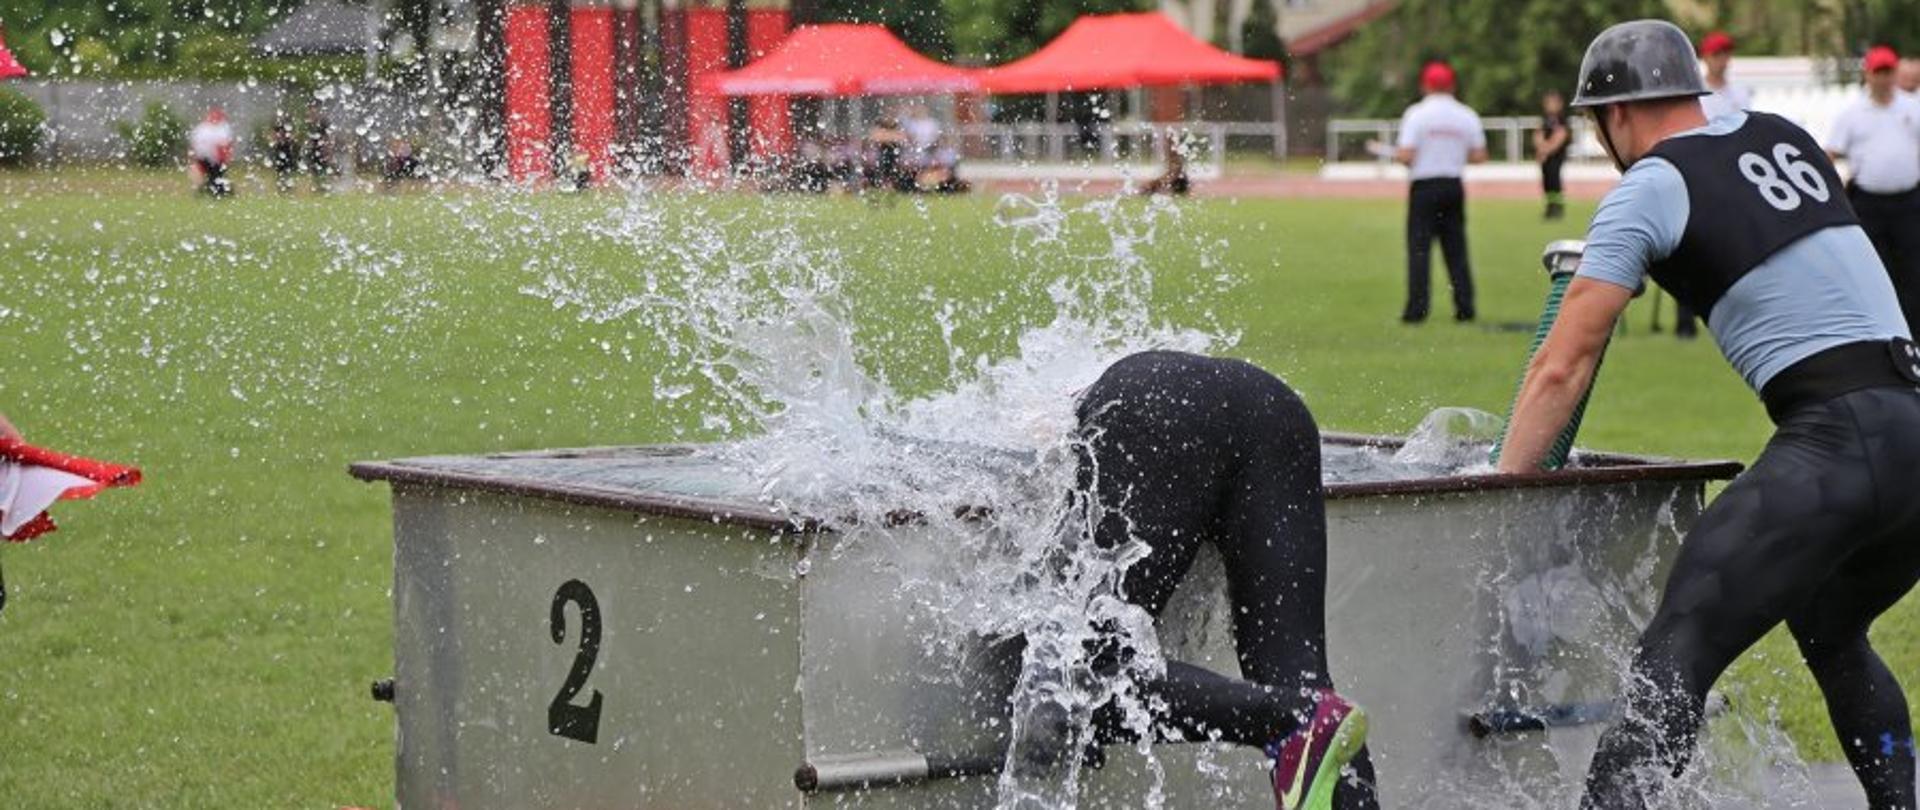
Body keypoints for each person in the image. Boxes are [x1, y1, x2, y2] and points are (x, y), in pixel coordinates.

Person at [1498, 20, 1920, 810]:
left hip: (1838, 437)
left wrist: (1497, 488)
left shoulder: (1649, 186)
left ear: (1614, 115)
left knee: (1674, 654)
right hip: (1913, 430)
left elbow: (1562, 365)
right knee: (1831, 627)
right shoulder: (1779, 135)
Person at [1061, 350, 1376, 810]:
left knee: (1074, 676)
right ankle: (1308, 716)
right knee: (1301, 676)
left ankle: (1289, 719)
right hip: (1272, 403)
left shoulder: (1025, 403)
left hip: (1157, 404)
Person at [1828, 46, 1920, 332]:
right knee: (1875, 270)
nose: (1883, 78)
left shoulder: (1911, 107)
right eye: (1877, 72)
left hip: (1908, 200)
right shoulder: (1853, 114)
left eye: (1887, 72)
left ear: (1894, 74)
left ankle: (1913, 332)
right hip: (1869, 202)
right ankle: (1880, 330)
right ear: (1868, 75)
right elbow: (1831, 153)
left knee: (1912, 269)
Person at [1395, 61, 1486, 324]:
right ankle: (1465, 307)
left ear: (1425, 85)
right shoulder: (1466, 114)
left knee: (1419, 250)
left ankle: (1417, 310)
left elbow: (1406, 154)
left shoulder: (1416, 114)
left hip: (1424, 187)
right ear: (1452, 85)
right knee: (1456, 250)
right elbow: (1479, 155)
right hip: (1453, 185)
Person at [1535, 89, 1573, 220]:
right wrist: (1540, 149)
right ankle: (1549, 206)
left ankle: (1557, 208)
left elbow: (1560, 136)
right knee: (1546, 181)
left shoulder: (1561, 119)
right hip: (1545, 157)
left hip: (1556, 157)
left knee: (1554, 180)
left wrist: (1546, 150)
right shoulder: (1545, 119)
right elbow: (1538, 134)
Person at [188, 107, 235, 198]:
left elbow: (195, 145)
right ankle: (217, 191)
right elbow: (224, 146)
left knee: (213, 176)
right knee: (215, 176)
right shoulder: (218, 129)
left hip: (207, 158)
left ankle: (211, 191)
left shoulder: (203, 128)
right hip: (212, 158)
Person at [267, 115, 297, 193]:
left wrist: (285, 139)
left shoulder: (288, 129)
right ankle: (282, 188)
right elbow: (273, 138)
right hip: (279, 153)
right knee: (280, 172)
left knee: (287, 172)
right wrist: (278, 140)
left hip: (287, 153)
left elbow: (292, 138)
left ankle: (287, 188)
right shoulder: (278, 127)